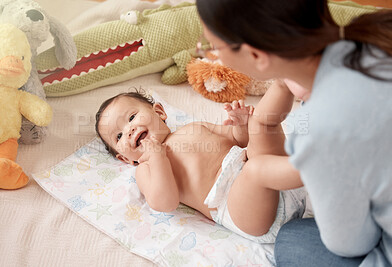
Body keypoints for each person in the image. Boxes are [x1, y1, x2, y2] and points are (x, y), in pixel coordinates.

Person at [195, 0, 392, 266]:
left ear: (256, 56)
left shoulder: (316, 129)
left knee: (292, 241)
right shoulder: (376, 31)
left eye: (213, 48)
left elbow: (350, 243)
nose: (210, 54)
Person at [95, 82, 306, 244]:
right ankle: (317, 166)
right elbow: (164, 202)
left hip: (273, 178)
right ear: (124, 158)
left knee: (261, 122)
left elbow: (239, 140)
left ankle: (285, 82)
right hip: (243, 210)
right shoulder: (145, 168)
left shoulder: (194, 127)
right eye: (119, 136)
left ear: (159, 112)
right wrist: (158, 158)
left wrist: (241, 124)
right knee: (254, 170)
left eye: (132, 117)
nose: (129, 130)